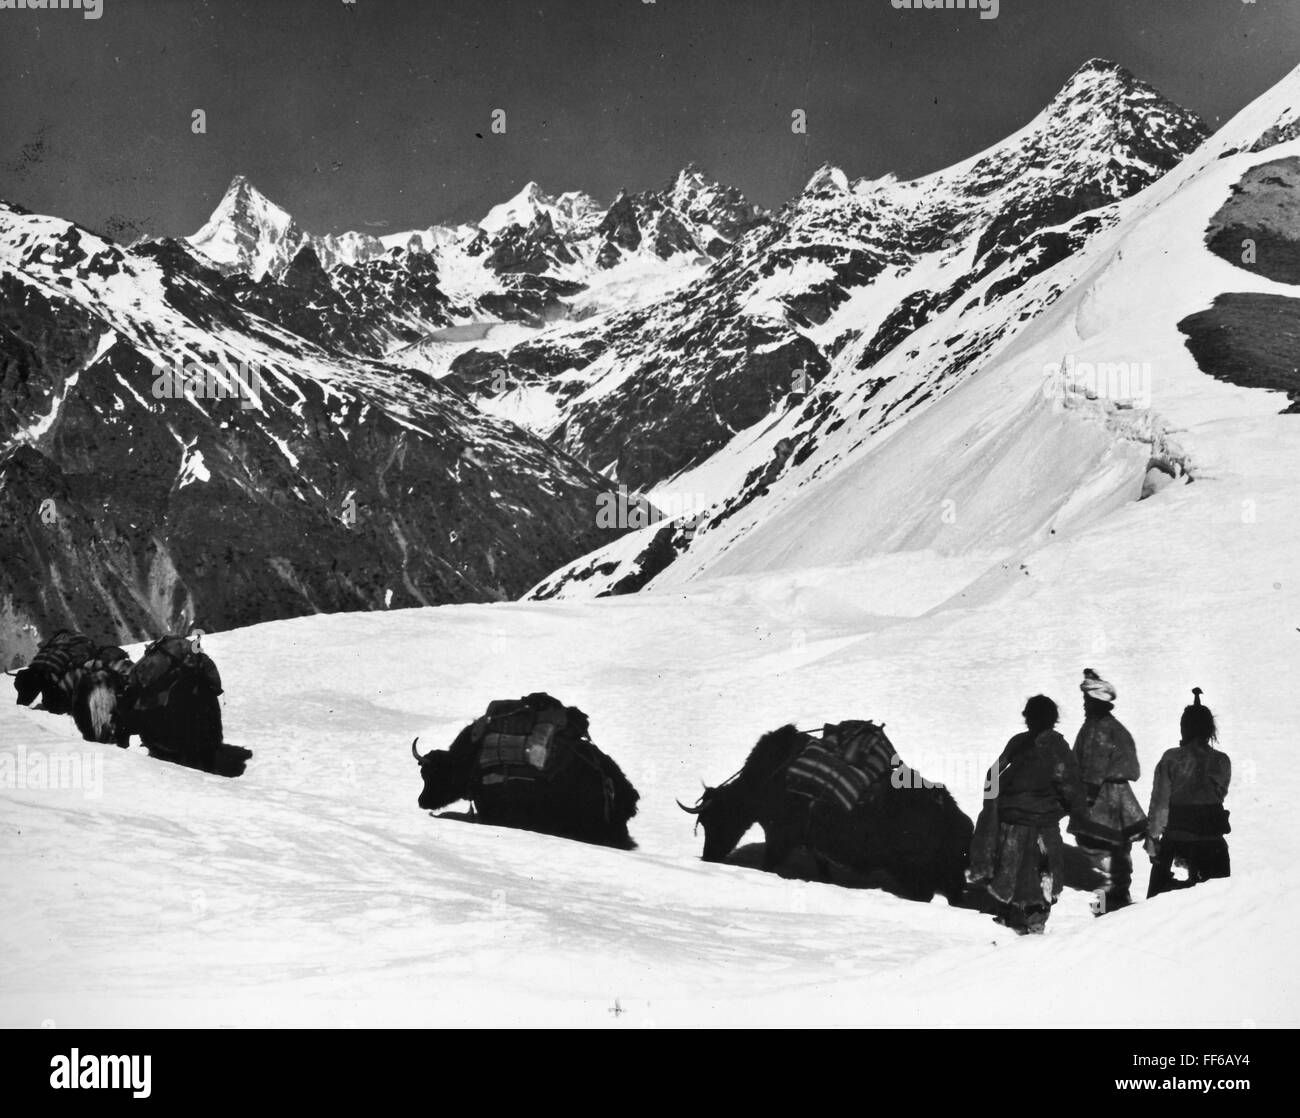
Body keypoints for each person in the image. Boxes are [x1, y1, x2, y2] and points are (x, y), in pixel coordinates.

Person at [968, 695, 1087, 934]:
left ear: (1027, 717)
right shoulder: (1057, 747)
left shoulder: (1018, 742)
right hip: (1041, 826)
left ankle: (1010, 914)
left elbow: (993, 775)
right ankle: (1035, 921)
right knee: (1042, 871)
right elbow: (1072, 786)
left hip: (1011, 823)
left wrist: (995, 807)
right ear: (1053, 719)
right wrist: (1066, 809)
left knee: (1011, 867)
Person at [1067, 669, 1147, 914]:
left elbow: (1093, 766)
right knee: (1118, 851)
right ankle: (1117, 898)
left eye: (1086, 701)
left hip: (1101, 800)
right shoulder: (1114, 727)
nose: (1084, 705)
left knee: (1101, 851)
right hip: (1120, 798)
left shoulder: (1097, 729)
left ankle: (1106, 907)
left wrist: (1082, 799)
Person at [1146, 688, 1231, 898]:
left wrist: (1152, 838)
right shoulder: (1221, 761)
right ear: (1209, 729)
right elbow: (1219, 796)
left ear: (1184, 728)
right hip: (1213, 846)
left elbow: (1160, 803)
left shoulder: (1171, 759)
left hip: (1177, 843)